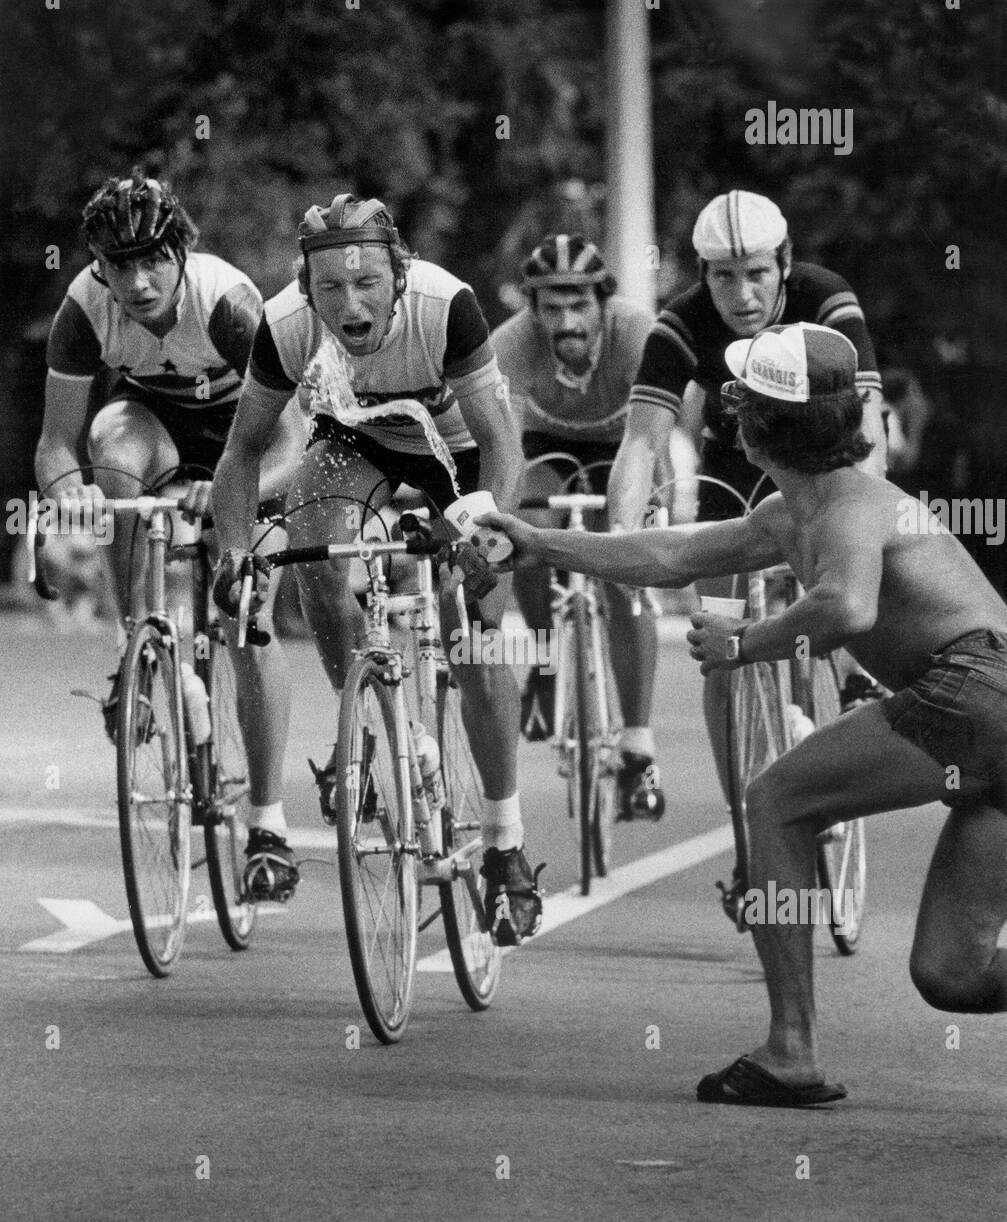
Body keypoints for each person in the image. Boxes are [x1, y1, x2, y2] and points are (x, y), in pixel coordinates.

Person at [479, 321, 1007, 1106]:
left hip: (976, 690)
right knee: (951, 974)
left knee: (774, 799)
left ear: (756, 424)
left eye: (738, 401)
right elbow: (671, 553)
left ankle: (791, 1050)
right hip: (984, 713)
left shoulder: (853, 506)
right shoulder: (794, 509)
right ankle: (791, 1046)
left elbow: (847, 607)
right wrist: (540, 545)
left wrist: (744, 643)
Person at [210, 193, 544, 946]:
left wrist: (483, 532)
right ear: (307, 289)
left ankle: (504, 842)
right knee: (313, 557)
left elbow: (502, 442)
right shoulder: (286, 324)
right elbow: (241, 451)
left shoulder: (443, 303)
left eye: (365, 285)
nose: (349, 303)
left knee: (477, 629)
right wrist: (235, 548)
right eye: (330, 288)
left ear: (397, 273)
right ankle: (371, 719)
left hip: (457, 448)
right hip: (355, 441)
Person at [609, 191, 889, 904]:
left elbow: (868, 423)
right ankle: (747, 836)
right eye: (723, 276)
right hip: (735, 459)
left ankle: (854, 678)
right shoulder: (679, 323)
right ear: (702, 274)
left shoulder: (827, 299)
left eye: (757, 274)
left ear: (785, 264)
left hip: (827, 455)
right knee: (719, 645)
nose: (741, 293)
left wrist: (854, 521)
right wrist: (621, 543)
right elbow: (640, 443)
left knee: (846, 562)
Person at [34, 170, 303, 901]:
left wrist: (229, 496)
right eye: (121, 265)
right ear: (98, 265)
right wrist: (70, 496)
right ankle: (138, 645)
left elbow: (291, 441)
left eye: (154, 259)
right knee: (109, 445)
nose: (140, 280)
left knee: (246, 618)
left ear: (180, 253)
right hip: (158, 427)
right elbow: (55, 443)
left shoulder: (227, 304)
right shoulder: (86, 309)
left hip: (251, 443)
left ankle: (268, 827)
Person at [490, 233, 666, 819]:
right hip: (546, 443)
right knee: (526, 528)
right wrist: (503, 515)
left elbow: (653, 439)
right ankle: (544, 662)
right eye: (551, 307)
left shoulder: (639, 334)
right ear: (532, 311)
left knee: (624, 561)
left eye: (579, 305)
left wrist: (652, 513)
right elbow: (506, 447)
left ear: (603, 303)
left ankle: (637, 741)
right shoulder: (510, 345)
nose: (566, 320)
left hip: (623, 444)